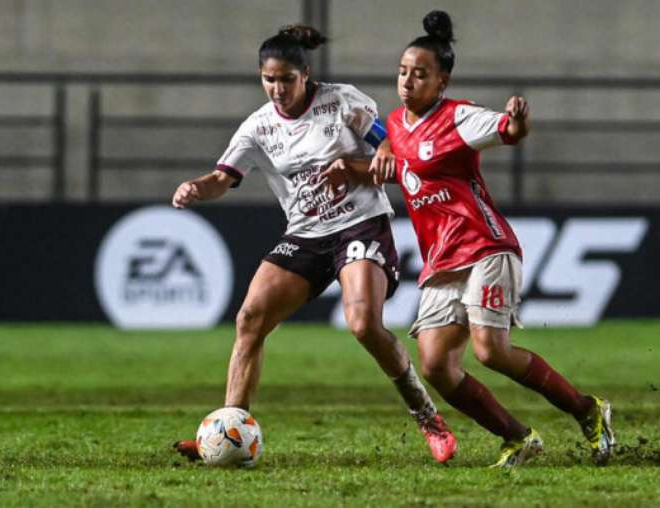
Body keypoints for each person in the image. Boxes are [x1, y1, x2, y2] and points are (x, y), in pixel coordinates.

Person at [170, 24, 456, 463]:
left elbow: (399, 156)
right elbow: (222, 178)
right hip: (305, 236)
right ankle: (228, 431)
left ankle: (428, 418)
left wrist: (367, 160)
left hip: (361, 225)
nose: (277, 89)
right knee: (250, 319)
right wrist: (195, 187)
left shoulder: (343, 103)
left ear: (305, 74)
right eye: (269, 79)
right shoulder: (258, 128)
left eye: (287, 79)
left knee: (363, 325)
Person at [365, 11, 616, 467]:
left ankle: (588, 410)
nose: (407, 81)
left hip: (485, 246)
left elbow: (510, 132)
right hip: (442, 260)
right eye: (402, 72)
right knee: (437, 366)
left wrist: (518, 120)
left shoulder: (459, 116)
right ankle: (518, 437)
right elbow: (393, 144)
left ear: (442, 81)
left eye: (420, 74)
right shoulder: (396, 124)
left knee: (489, 351)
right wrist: (380, 150)